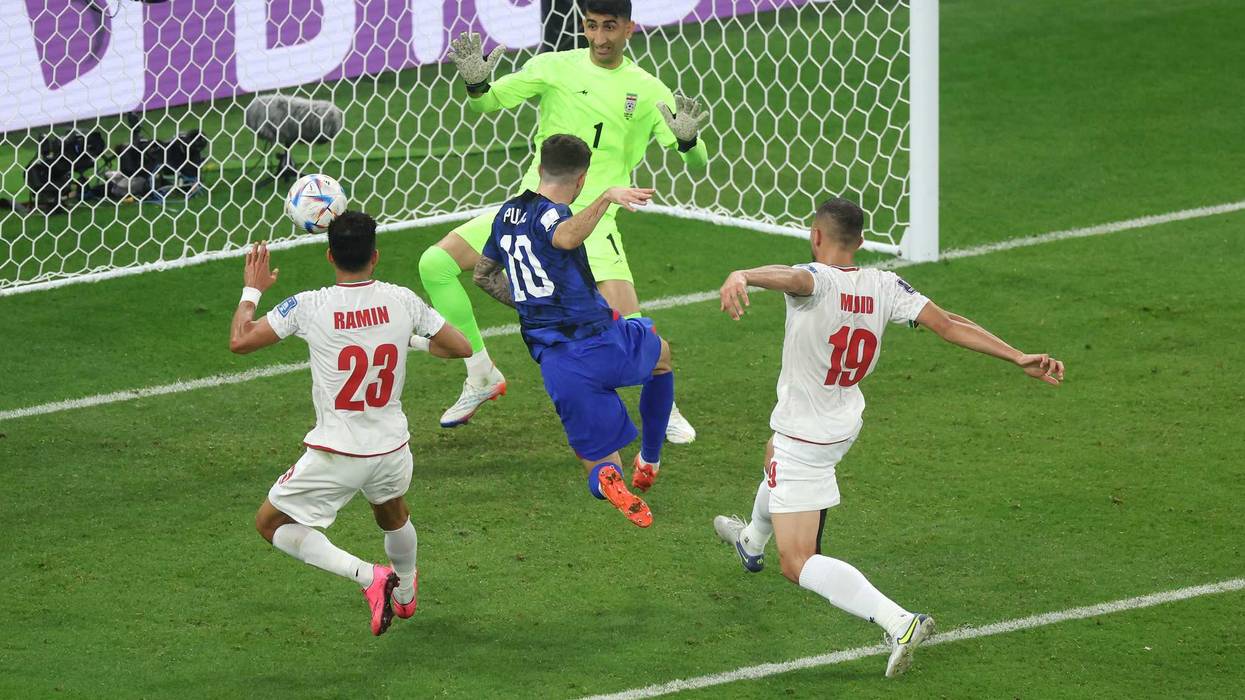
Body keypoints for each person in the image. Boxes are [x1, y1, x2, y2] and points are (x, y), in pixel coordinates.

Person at [711, 197, 1066, 677]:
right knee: (772, 452)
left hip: (806, 436)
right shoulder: (886, 284)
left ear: (816, 237)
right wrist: (1017, 354)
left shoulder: (816, 280)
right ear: (860, 242)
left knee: (797, 562)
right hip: (841, 424)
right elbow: (948, 325)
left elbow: (793, 278)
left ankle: (899, 622)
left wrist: (743, 274)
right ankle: (751, 540)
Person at [419, 0, 707, 445]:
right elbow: (488, 103)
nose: (600, 38)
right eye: (591, 26)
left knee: (630, 323)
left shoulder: (648, 90)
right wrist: (476, 83)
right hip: (528, 210)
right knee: (435, 263)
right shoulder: (553, 67)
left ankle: (665, 408)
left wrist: (688, 141)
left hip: (595, 218)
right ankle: (480, 372)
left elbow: (697, 161)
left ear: (629, 28)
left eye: (610, 27)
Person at [228, 212, 472, 636]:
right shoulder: (401, 300)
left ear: (329, 256)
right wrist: (407, 338)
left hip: (338, 451)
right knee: (392, 512)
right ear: (375, 256)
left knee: (270, 523)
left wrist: (253, 289)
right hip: (392, 447)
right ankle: (406, 593)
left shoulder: (310, 305)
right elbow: (460, 347)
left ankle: (369, 577)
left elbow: (241, 340)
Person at [472, 134, 674, 525]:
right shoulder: (554, 214)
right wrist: (606, 197)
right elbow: (564, 236)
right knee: (662, 356)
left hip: (557, 362)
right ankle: (650, 458)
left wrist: (531, 305)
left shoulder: (506, 214)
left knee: (600, 463)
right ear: (581, 179)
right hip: (603, 339)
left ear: (539, 168)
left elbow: (483, 275)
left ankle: (610, 480)